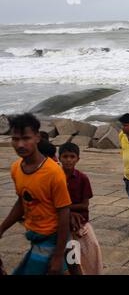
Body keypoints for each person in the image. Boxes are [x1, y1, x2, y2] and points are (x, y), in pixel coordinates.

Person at [0, 113, 71, 275]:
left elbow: (64, 212)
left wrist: (59, 255)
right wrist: (2, 228)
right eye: (15, 139)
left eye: (26, 138)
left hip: (52, 240)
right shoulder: (16, 168)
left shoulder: (54, 173)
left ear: (37, 137)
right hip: (34, 236)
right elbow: (22, 201)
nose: (20, 144)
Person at [59, 142, 103, 275]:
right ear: (59, 157)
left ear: (78, 159)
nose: (68, 160)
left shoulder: (82, 178)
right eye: (65, 156)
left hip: (80, 221)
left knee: (93, 248)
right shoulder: (55, 177)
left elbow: (84, 205)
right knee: (71, 255)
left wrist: (65, 208)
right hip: (62, 222)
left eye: (72, 157)